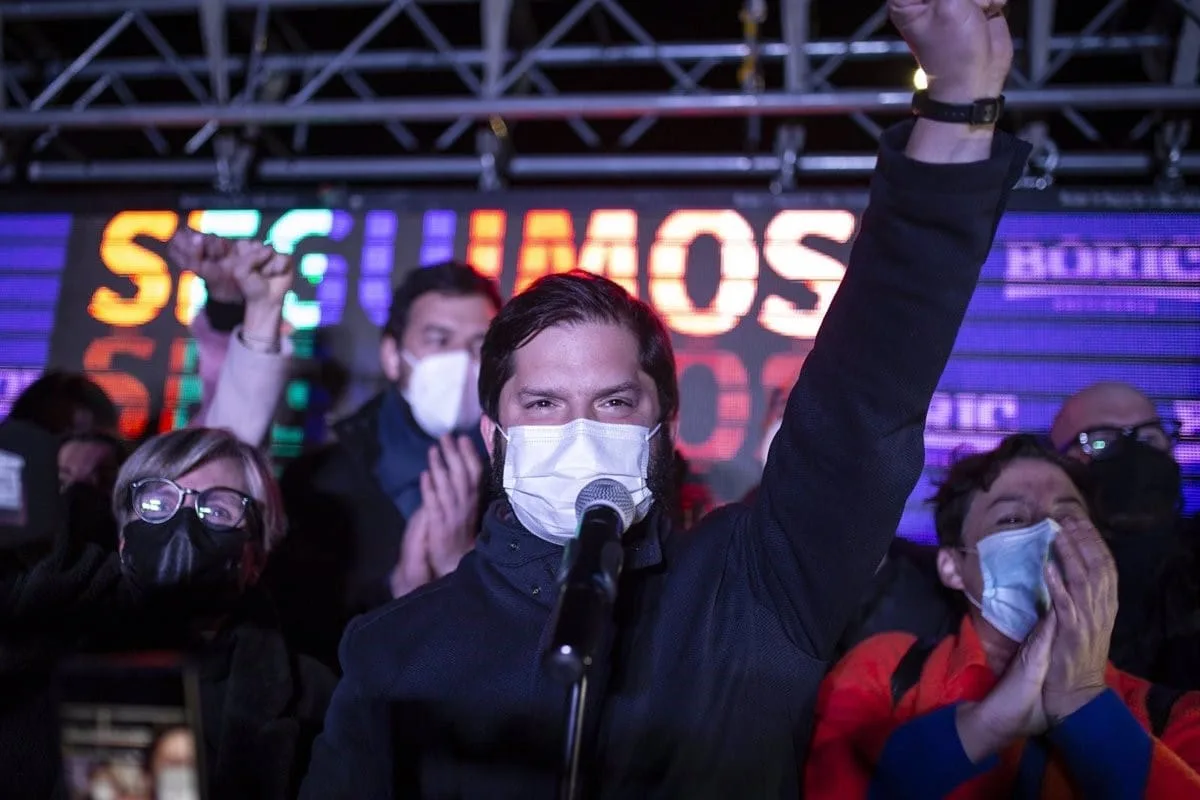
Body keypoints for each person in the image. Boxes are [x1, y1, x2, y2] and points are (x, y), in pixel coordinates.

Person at [299, 1, 1030, 795]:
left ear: (663, 426)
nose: (579, 428)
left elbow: (868, 386)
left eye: (614, 402)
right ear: (493, 434)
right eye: (542, 405)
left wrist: (957, 100)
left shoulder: (752, 586)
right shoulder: (396, 651)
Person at [805, 435, 1200, 797]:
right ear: (952, 567)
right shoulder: (887, 669)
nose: (1047, 532)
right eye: (1011, 519)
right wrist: (984, 726)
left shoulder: (1174, 713)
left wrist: (1084, 701)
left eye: (1068, 518)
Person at [0, 428, 335, 800]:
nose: (185, 523)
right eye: (158, 503)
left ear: (255, 557)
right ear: (124, 538)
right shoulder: (41, 647)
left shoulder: (313, 696)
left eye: (218, 510)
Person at [267, 260, 502, 666]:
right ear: (393, 356)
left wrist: (466, 575)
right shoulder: (320, 481)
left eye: (478, 345)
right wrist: (395, 593)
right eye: (438, 340)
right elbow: (296, 637)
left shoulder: (523, 483)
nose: (461, 363)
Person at [1051, 381, 1200, 687]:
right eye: (1102, 442)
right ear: (1059, 463)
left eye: (1149, 438)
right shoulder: (1037, 572)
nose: (1134, 453)